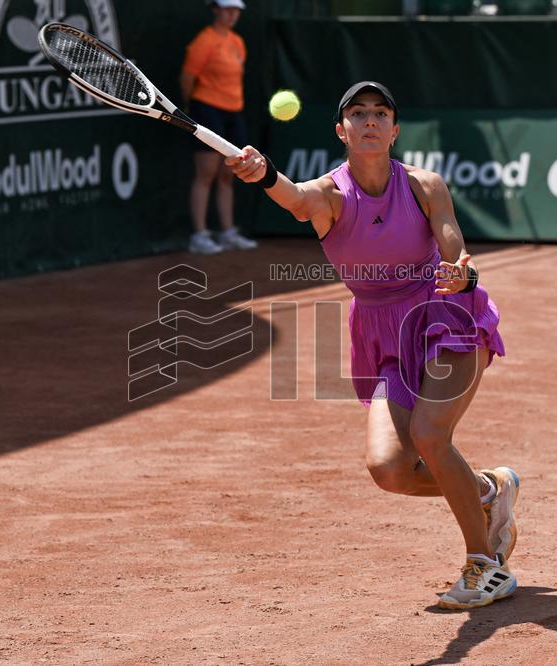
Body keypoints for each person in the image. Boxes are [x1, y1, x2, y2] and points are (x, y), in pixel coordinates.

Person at [226, 81, 520, 610]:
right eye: (357, 114)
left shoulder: (425, 184)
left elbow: (454, 242)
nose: (369, 121)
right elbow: (294, 199)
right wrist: (263, 172)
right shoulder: (329, 196)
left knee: (431, 436)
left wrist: (462, 271)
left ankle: (485, 565)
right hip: (382, 331)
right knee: (390, 468)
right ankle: (488, 491)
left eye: (380, 113)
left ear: (394, 130)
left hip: (445, 313)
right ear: (341, 130)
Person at [180, 0, 257, 255]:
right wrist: (190, 109)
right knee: (207, 173)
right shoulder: (204, 41)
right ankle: (199, 235)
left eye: (236, 10)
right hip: (206, 108)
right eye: (227, 9)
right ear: (215, 9)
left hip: (234, 112)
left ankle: (227, 232)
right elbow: (187, 78)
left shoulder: (238, 42)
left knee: (229, 173)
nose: (232, 14)